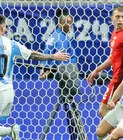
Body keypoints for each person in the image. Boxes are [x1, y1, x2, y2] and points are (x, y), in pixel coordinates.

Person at [87, 6, 123, 140]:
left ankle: (120, 134)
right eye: (117, 17)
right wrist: (97, 70)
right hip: (116, 77)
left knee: (105, 111)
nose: (120, 20)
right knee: (118, 113)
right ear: (112, 18)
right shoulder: (115, 33)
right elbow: (114, 57)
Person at [39, 8, 85, 140]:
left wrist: (45, 69)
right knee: (71, 103)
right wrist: (47, 70)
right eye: (66, 22)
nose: (69, 25)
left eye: (70, 22)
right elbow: (60, 58)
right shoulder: (62, 39)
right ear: (60, 23)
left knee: (67, 102)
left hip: (63, 76)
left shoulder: (54, 36)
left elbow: (48, 52)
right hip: (67, 76)